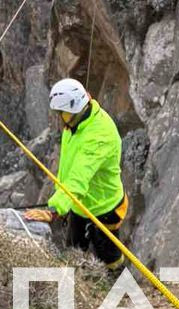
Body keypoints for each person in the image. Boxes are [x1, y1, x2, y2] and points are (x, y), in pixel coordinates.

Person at [47, 78, 128, 270]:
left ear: (75, 108)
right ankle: (79, 280)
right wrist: (63, 197)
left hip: (103, 208)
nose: (60, 118)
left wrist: (56, 208)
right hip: (79, 203)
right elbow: (69, 164)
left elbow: (79, 177)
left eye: (63, 113)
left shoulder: (99, 137)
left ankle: (119, 285)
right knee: (74, 249)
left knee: (109, 255)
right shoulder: (76, 123)